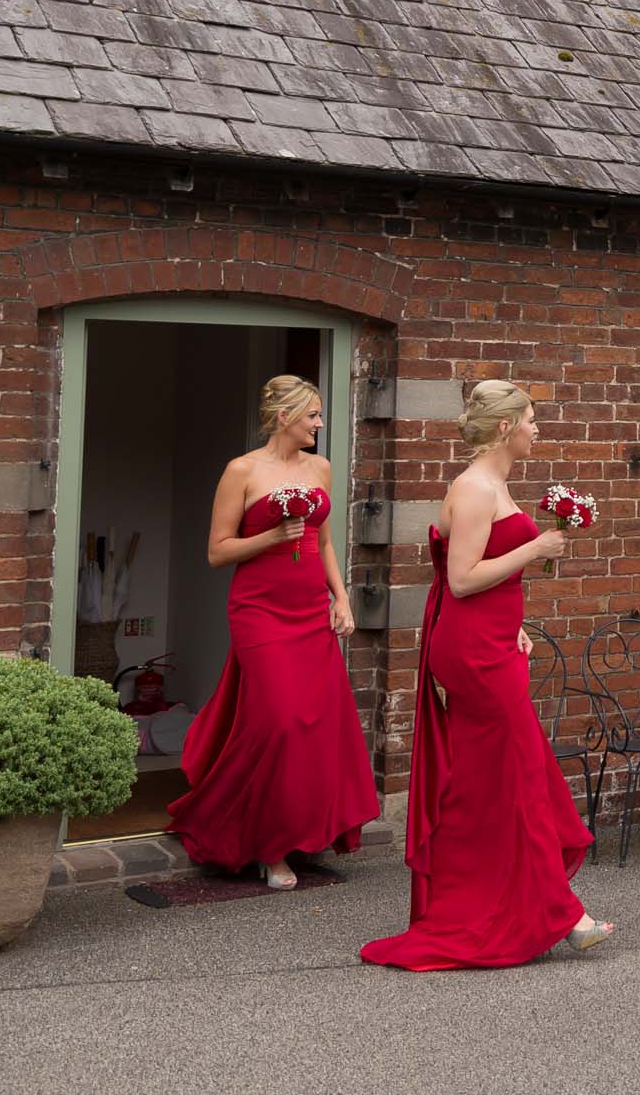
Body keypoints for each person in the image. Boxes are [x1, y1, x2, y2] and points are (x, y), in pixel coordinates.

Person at [360, 382, 610, 968]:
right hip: (474, 655)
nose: (537, 429)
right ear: (504, 428)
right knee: (521, 776)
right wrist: (537, 547)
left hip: (491, 642)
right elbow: (464, 578)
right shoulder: (473, 487)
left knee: (491, 783)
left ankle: (493, 900)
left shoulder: (495, 483)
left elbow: (484, 582)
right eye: (530, 419)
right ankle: (565, 914)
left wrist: (513, 624)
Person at [169, 375, 377, 889]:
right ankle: (267, 846)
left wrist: (342, 597)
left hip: (310, 608)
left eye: (321, 414)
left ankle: (297, 832)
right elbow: (217, 551)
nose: (320, 424)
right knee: (278, 722)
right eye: (312, 415)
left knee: (314, 724)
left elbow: (324, 542)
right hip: (259, 610)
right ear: (284, 416)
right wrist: (269, 536)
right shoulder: (242, 470)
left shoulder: (320, 468)